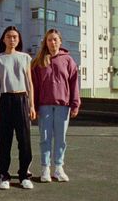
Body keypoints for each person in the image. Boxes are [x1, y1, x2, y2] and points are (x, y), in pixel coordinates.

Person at [31, 28, 80, 183]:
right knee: (45, 138)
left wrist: (75, 103)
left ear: (60, 41)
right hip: (44, 105)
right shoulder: (39, 61)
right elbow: (35, 86)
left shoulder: (68, 60)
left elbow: (74, 84)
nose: (52, 42)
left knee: (60, 138)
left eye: (55, 39)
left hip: (63, 105)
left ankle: (59, 168)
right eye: (49, 40)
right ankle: (45, 169)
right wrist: (35, 105)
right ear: (45, 42)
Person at [0, 26, 36, 190]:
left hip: (22, 99)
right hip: (5, 100)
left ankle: (24, 175)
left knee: (24, 141)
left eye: (15, 37)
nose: (12, 39)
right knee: (5, 140)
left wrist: (32, 105)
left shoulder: (25, 58)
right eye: (9, 37)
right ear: (4, 39)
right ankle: (4, 175)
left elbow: (30, 83)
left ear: (19, 39)